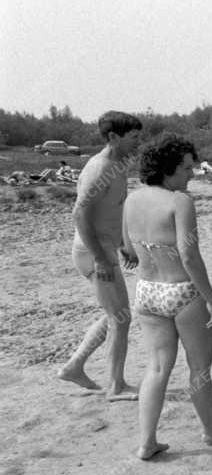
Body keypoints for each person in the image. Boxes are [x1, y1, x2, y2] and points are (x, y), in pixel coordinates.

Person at [122, 133, 212, 459]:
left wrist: (148, 253)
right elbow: (189, 256)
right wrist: (211, 299)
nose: (192, 174)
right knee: (199, 367)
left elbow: (128, 248)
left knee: (157, 368)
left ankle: (147, 442)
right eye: (187, 168)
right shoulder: (180, 202)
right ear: (168, 168)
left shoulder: (132, 199)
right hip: (183, 292)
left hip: (147, 292)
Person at [59, 110, 143, 401]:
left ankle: (74, 366)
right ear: (113, 137)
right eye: (133, 137)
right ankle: (116, 386)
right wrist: (100, 258)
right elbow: (79, 215)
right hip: (90, 251)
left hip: (105, 248)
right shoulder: (99, 167)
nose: (138, 142)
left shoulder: (121, 163)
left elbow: (113, 208)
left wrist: (120, 243)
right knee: (121, 318)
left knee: (114, 315)